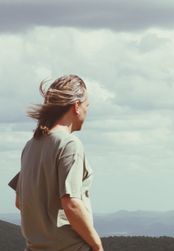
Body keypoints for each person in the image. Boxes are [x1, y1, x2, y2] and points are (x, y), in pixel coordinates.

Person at [8, 75, 103, 251]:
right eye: (86, 106)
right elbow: (71, 203)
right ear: (76, 106)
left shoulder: (30, 146)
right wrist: (97, 245)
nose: (87, 111)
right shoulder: (69, 144)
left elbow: (20, 202)